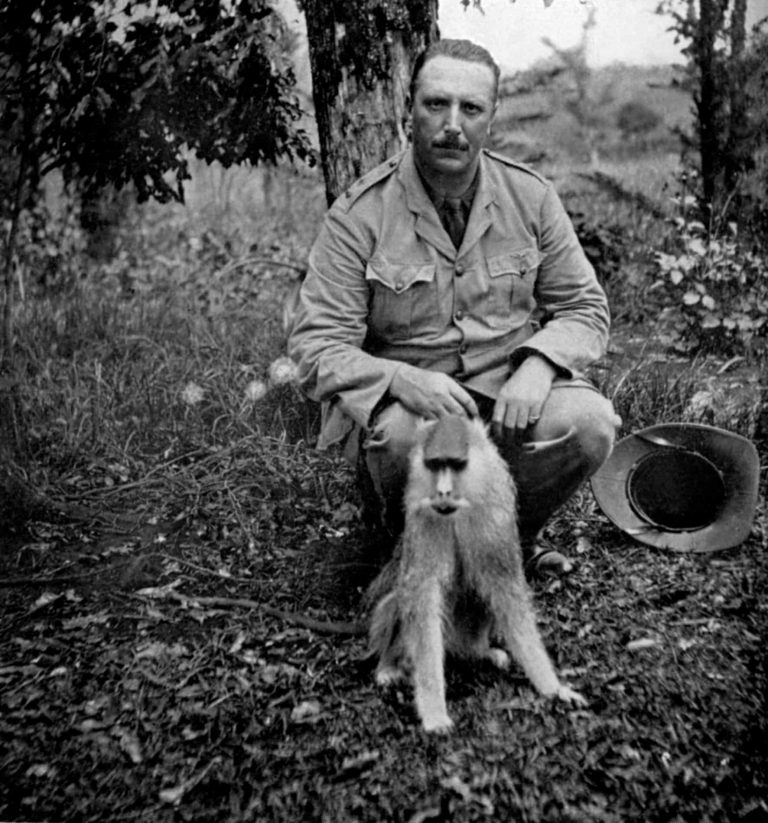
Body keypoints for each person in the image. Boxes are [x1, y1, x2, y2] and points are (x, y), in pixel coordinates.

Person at [288, 38, 620, 575]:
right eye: (436, 104)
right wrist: (399, 379)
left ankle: (508, 542)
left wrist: (539, 365)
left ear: (492, 117)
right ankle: (410, 551)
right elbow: (314, 346)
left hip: (507, 395)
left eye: (471, 108)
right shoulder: (359, 215)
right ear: (409, 110)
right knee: (399, 437)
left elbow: (585, 307)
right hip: (411, 408)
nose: (452, 125)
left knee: (589, 423)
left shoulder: (531, 198)